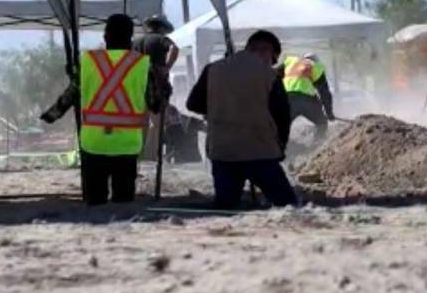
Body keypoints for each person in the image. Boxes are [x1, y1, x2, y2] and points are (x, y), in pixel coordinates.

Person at [40, 14, 163, 205]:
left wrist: (50, 116)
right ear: (130, 36)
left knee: (94, 202)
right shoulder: (143, 65)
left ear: (105, 36)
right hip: (127, 144)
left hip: (93, 144)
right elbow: (156, 105)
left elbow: (70, 96)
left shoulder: (87, 62)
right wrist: (163, 86)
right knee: (123, 202)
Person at [187, 30, 297, 209]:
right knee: (287, 204)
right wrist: (281, 147)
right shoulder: (270, 76)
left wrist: (220, 108)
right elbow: (282, 116)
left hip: (223, 151)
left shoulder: (213, 69)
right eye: (273, 59)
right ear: (269, 51)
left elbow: (193, 104)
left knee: (226, 206)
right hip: (261, 152)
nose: (272, 63)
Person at [133, 15, 178, 160]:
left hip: (137, 84)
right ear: (162, 27)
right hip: (156, 84)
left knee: (142, 122)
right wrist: (167, 67)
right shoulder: (161, 39)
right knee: (158, 122)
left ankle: (140, 155)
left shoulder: (135, 42)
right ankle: (152, 155)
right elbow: (174, 49)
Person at [278, 52, 335, 142]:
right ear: (316, 61)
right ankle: (317, 145)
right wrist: (329, 113)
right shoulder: (316, 66)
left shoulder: (290, 62)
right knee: (322, 123)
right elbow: (325, 94)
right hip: (305, 100)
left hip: (286, 100)